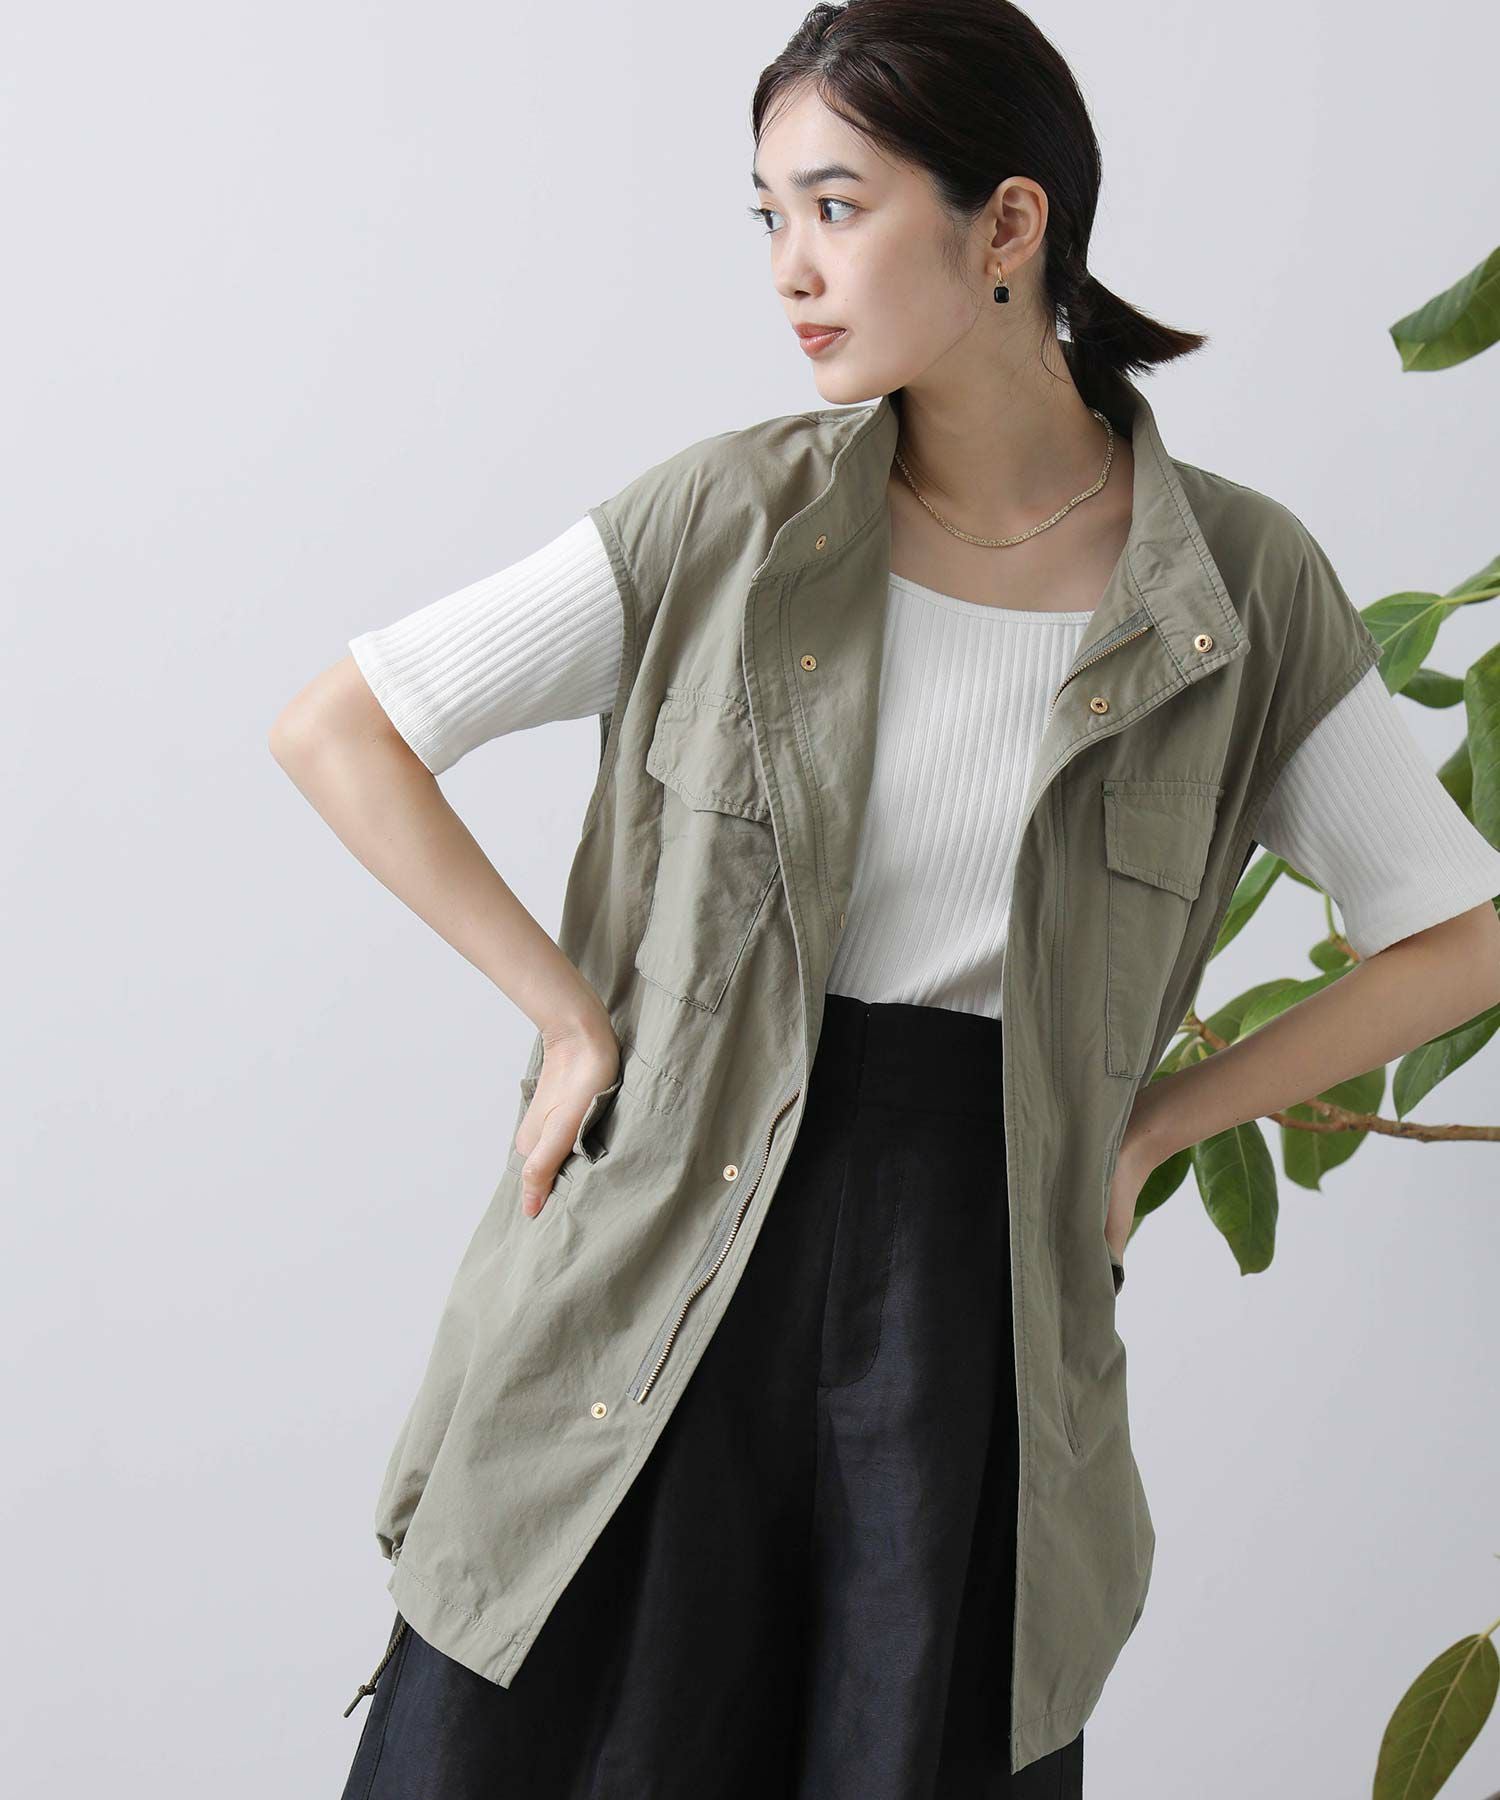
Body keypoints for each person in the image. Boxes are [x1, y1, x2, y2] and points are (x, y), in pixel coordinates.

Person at [270, 2, 1500, 1793]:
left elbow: (1461, 937)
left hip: (965, 1300)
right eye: (769, 214)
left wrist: (1161, 1127)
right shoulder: (726, 520)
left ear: (1009, 225)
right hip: (664, 1250)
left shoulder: (1235, 589)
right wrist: (567, 1019)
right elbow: (345, 730)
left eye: (836, 207)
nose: (791, 266)